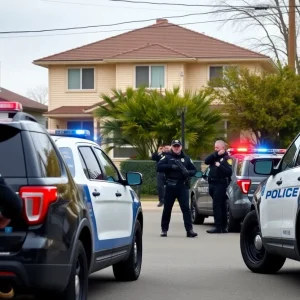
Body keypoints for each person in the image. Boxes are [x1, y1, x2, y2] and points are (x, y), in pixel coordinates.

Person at [157, 139, 198, 238]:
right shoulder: (167, 157)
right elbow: (159, 167)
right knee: (167, 209)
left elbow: (194, 170)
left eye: (178, 146)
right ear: (171, 147)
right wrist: (171, 166)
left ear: (181, 147)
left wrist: (188, 172)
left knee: (186, 209)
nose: (176, 148)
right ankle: (164, 230)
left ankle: (189, 230)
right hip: (170, 185)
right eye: (174, 146)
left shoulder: (186, 158)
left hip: (182, 186)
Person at [204, 140, 232, 234]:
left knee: (218, 206)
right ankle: (222, 227)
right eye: (215, 147)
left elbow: (229, 172)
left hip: (220, 184)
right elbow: (206, 161)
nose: (215, 149)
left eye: (217, 148)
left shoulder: (227, 158)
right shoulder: (214, 157)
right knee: (219, 205)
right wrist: (215, 154)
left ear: (223, 148)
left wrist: (220, 166)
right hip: (212, 183)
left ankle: (219, 226)